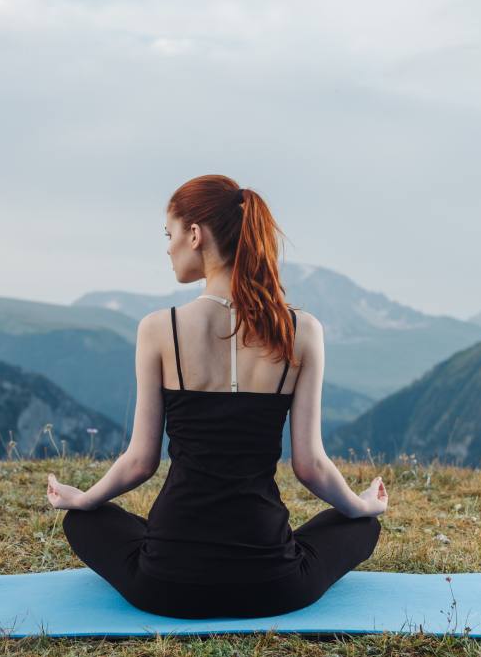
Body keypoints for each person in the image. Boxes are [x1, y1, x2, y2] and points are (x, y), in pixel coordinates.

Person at [46, 174, 387, 619]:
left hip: (167, 585)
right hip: (273, 584)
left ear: (194, 234)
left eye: (168, 235)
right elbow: (310, 466)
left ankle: (174, 540)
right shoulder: (301, 331)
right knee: (360, 527)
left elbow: (140, 462)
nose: (167, 248)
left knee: (83, 521)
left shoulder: (158, 328)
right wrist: (362, 506)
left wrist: (86, 499)